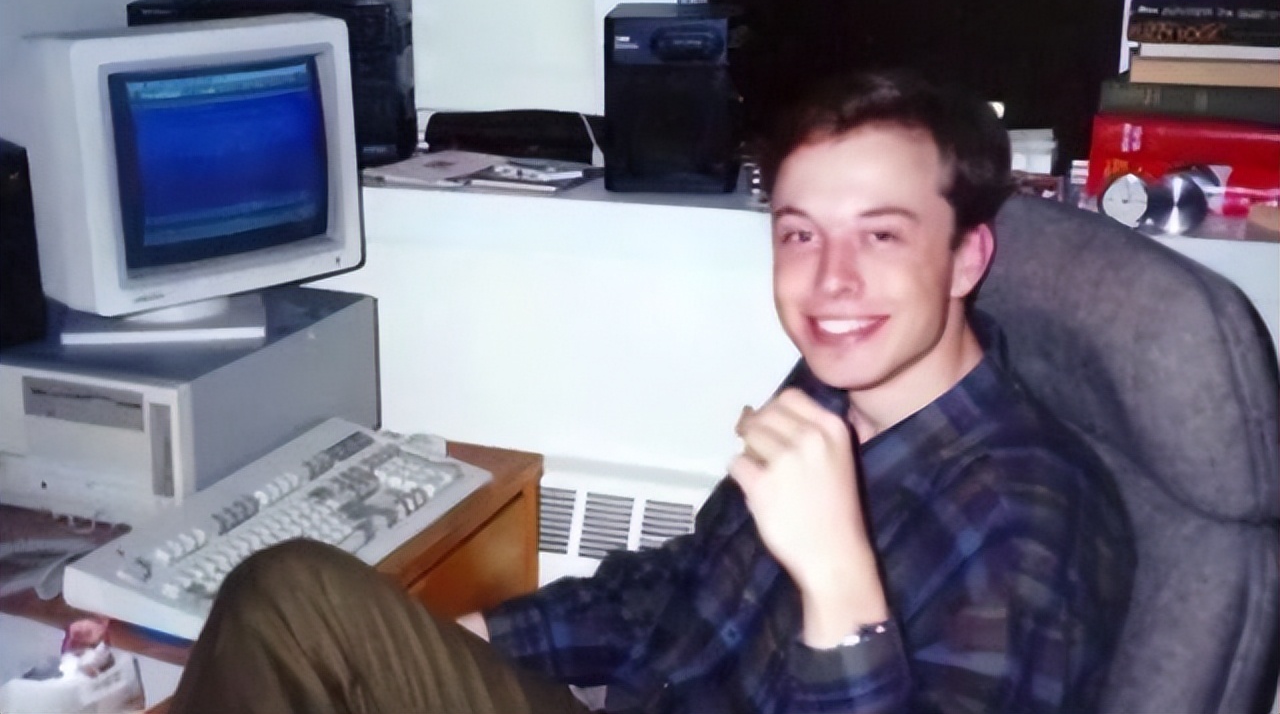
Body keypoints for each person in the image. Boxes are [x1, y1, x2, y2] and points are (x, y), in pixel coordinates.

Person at [169, 70, 1134, 714]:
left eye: (881, 235)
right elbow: (685, 585)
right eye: (800, 233)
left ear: (966, 257)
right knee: (294, 600)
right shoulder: (835, 387)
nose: (830, 282)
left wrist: (839, 580)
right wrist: (455, 642)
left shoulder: (1029, 519)